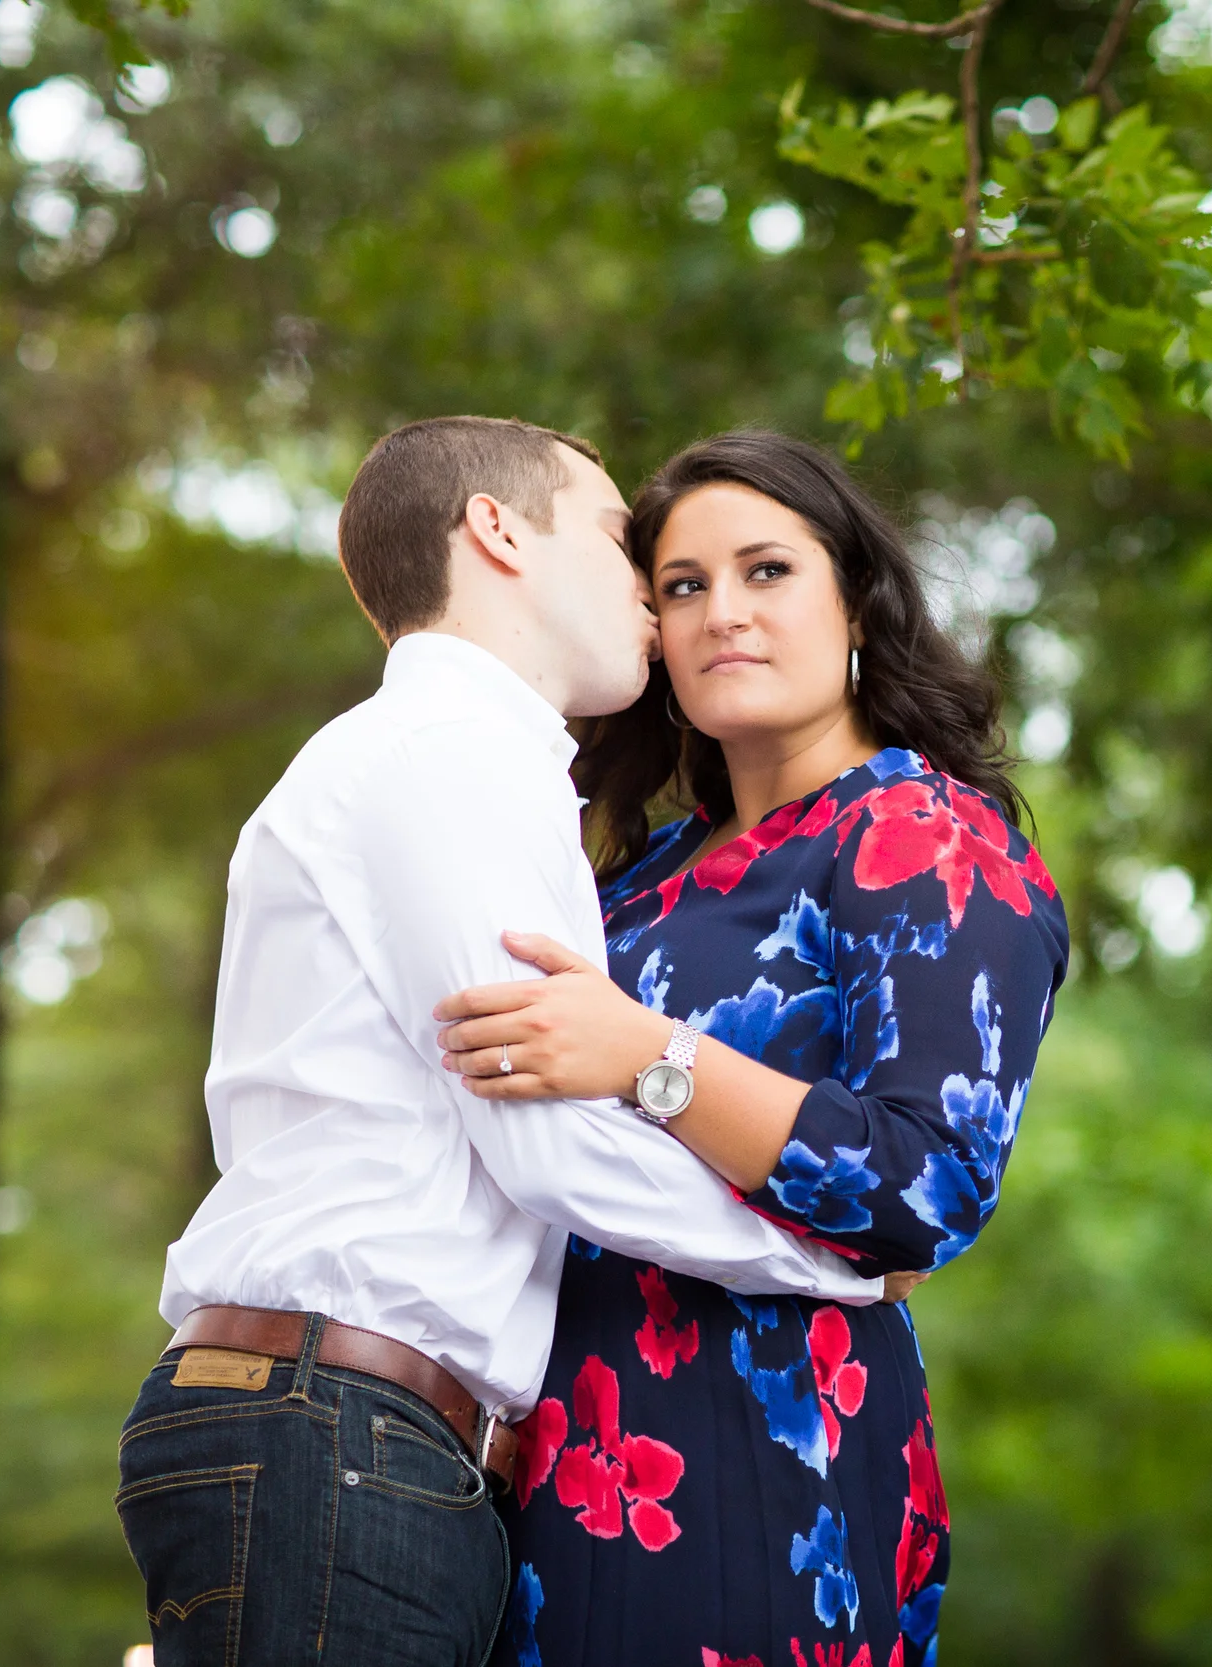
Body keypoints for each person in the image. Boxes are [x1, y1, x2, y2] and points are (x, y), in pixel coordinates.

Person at [119, 418, 889, 1667]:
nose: (648, 584)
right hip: (338, 1429)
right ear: (496, 530)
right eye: (614, 536)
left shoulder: (469, 765)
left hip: (355, 1433)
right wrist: (830, 1259)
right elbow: (551, 1146)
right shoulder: (447, 755)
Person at [429, 430, 1068, 1667]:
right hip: (536, 1457)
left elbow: (920, 1188)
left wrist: (649, 1058)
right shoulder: (637, 876)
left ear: (857, 609)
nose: (722, 611)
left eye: (767, 570)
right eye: (681, 585)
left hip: (760, 1448)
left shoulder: (923, 835)